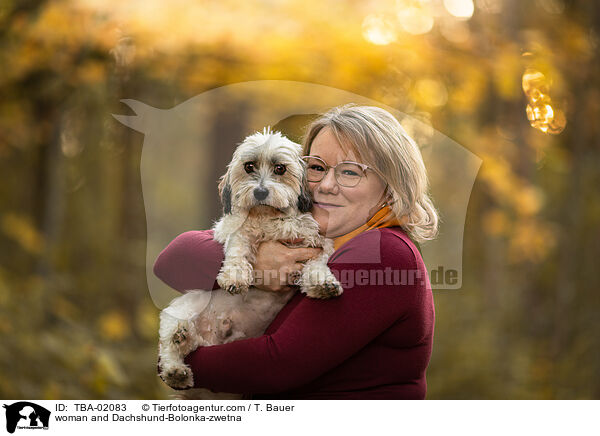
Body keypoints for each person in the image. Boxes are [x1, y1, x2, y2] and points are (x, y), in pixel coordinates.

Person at [153, 105, 439, 399]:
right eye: (317, 168)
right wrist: (261, 265)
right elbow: (173, 260)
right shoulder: (312, 235)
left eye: (350, 172)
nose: (326, 186)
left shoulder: (384, 252)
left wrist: (179, 362)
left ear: (392, 186)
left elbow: (277, 365)